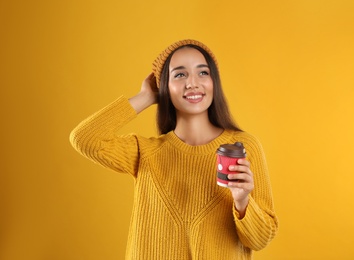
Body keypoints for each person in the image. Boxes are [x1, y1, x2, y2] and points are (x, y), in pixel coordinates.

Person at [70, 39, 278, 259]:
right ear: (164, 88)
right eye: (180, 75)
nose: (193, 83)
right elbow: (86, 138)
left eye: (203, 73)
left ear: (214, 82)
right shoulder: (146, 153)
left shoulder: (244, 147)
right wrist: (146, 97)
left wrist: (242, 200)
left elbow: (260, 239)